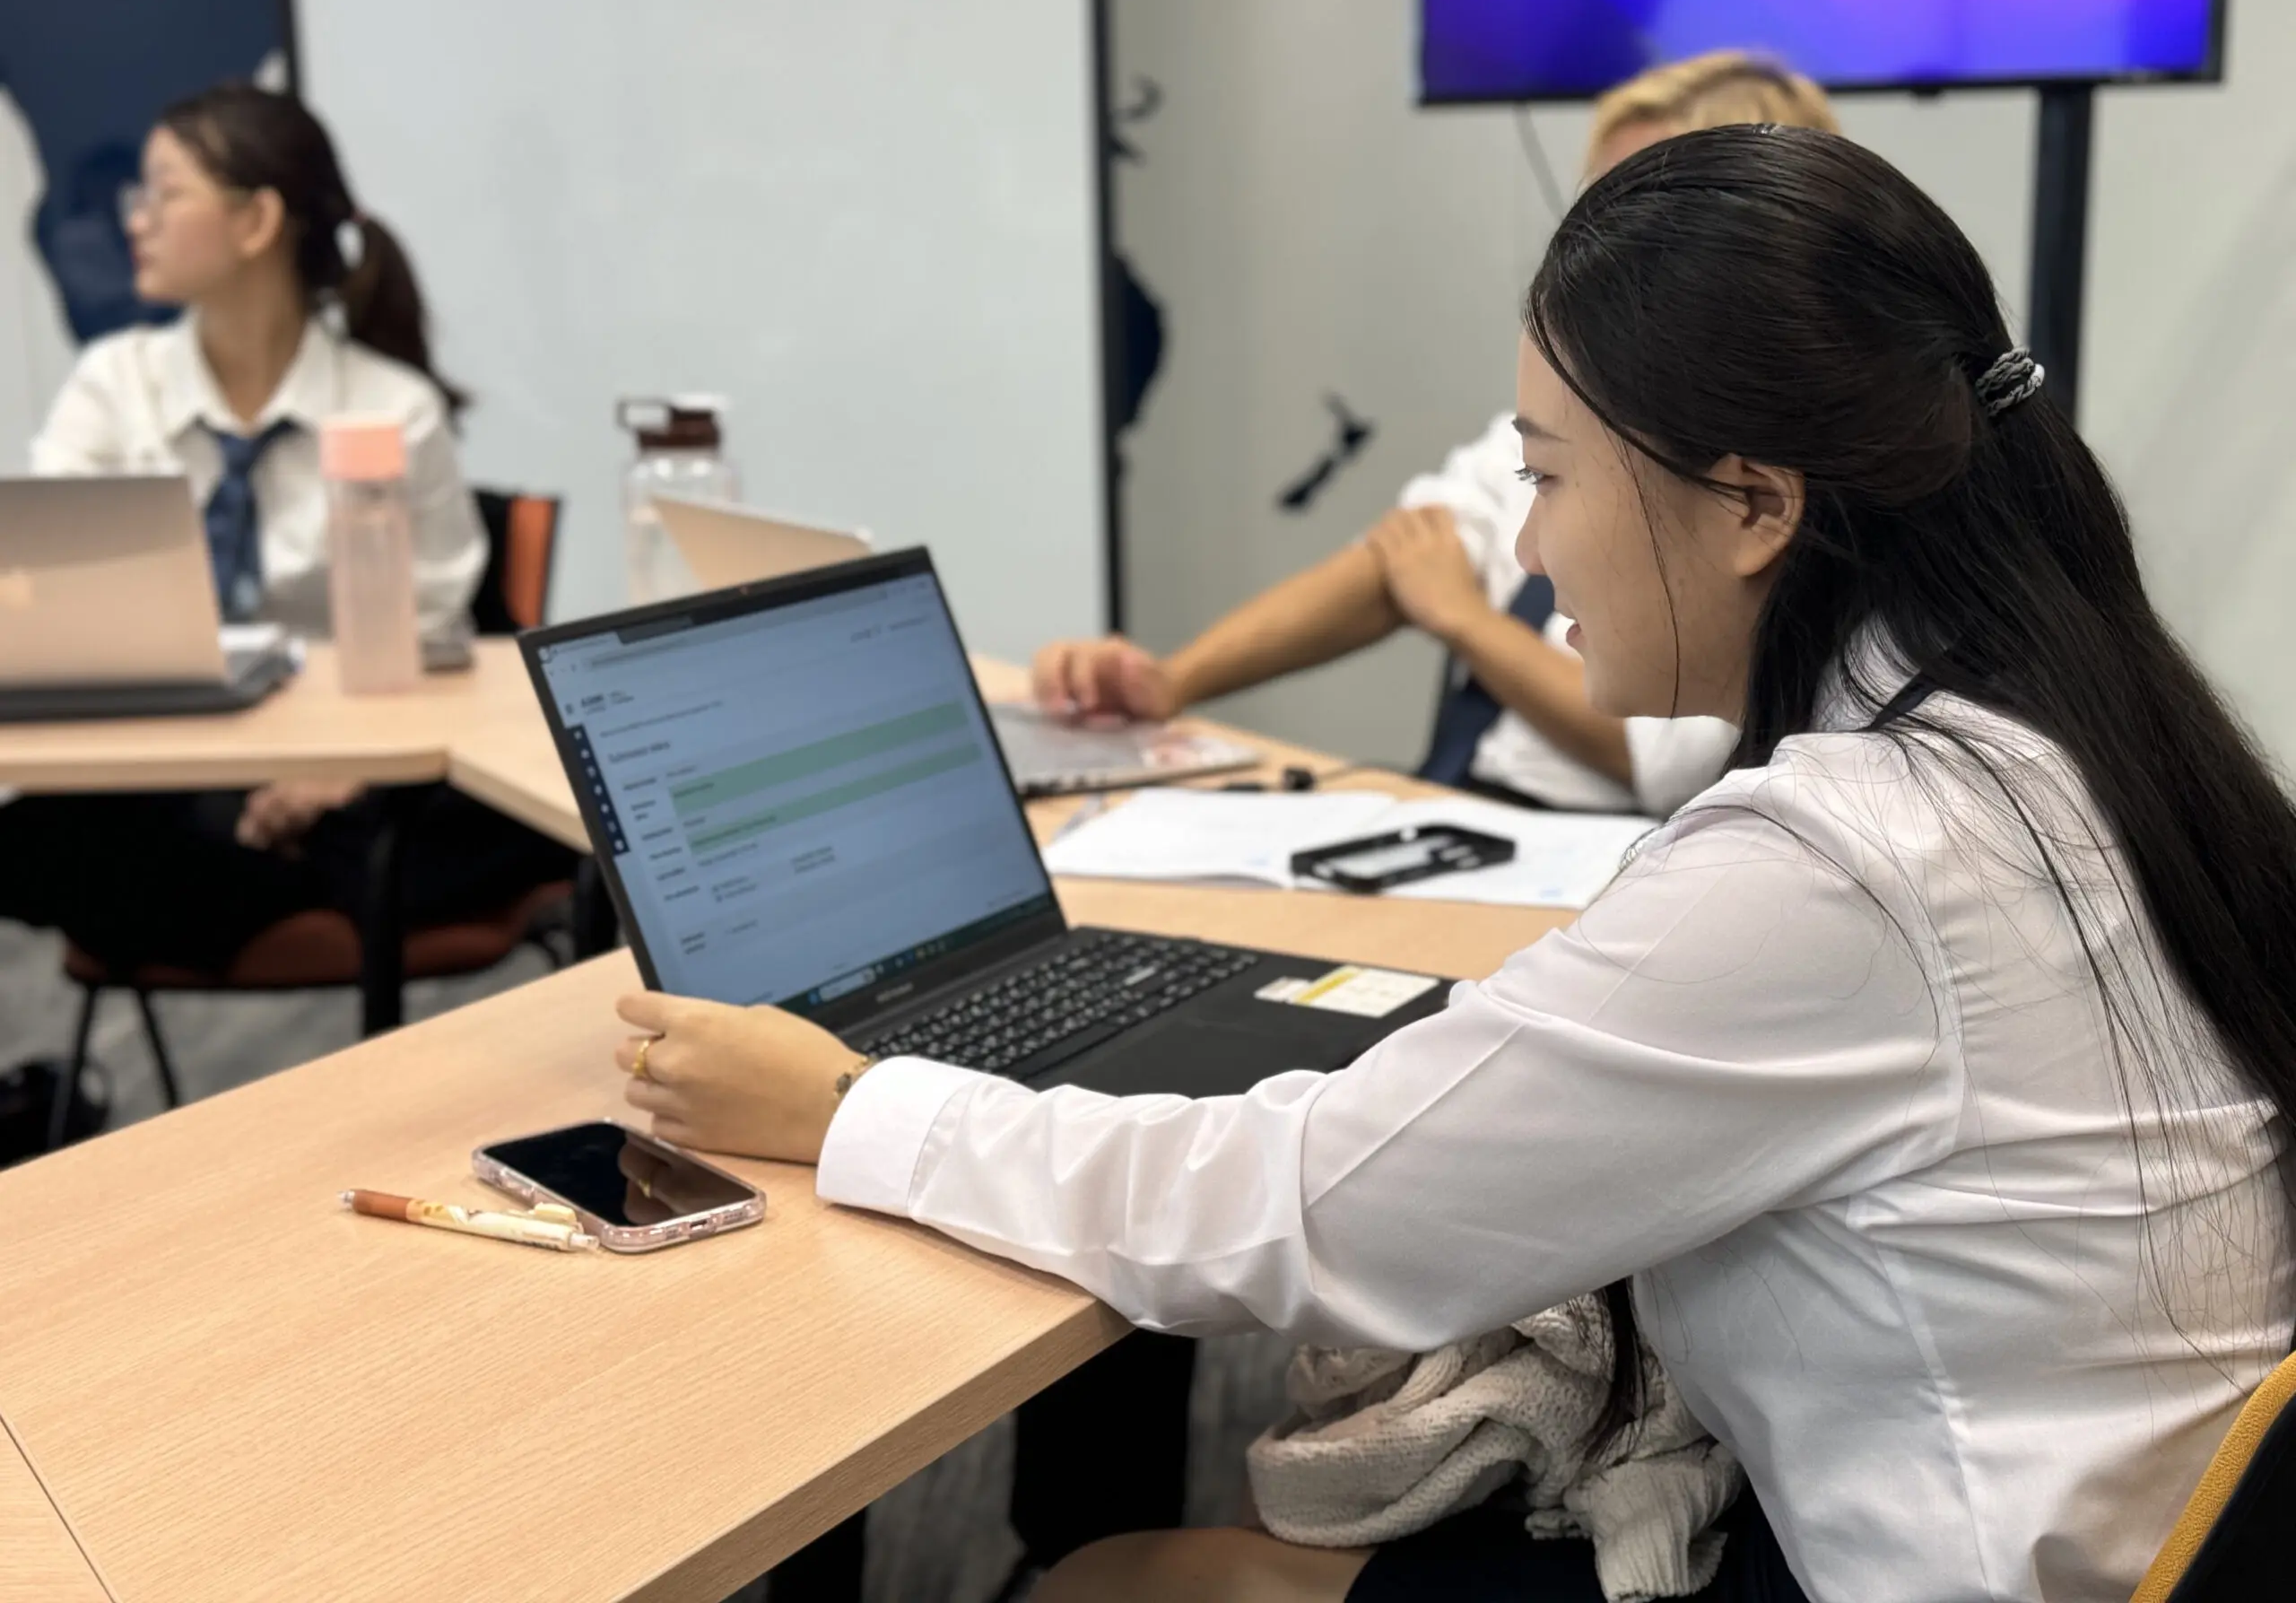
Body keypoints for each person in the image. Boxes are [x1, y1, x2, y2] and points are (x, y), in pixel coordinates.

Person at [608, 125, 2296, 1603]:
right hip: (2082, 1537)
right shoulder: (2071, 736)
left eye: (1549, 476)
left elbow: (1304, 1213)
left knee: (1130, 1581)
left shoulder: (1848, 868)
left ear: (1753, 505)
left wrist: (846, 1111)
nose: (1533, 544)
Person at [1033, 52, 1838, 818]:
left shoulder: (1772, 486)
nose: (1592, 265)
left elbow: (1661, 763)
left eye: (1639, 234)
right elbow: (1404, 558)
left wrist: (1461, 618)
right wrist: (1172, 681)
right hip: (1465, 807)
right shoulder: (1564, 422)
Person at [0, 83, 572, 976]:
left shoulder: (392, 408)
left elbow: (431, 643)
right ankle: (274, 876)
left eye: (163, 190)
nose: (135, 220)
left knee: (517, 815)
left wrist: (334, 776)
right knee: (59, 833)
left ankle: (264, 875)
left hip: (351, 781)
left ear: (257, 220)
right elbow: (53, 603)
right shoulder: (114, 386)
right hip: (162, 779)